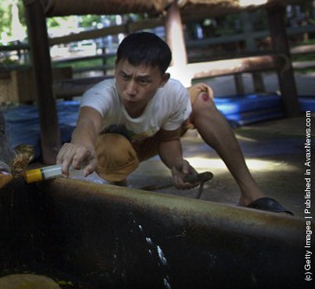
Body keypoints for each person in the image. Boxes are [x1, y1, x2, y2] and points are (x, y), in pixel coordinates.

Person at [56, 31, 292, 215]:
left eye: (143, 81)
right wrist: (82, 144)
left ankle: (250, 193)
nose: (130, 89)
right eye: (124, 76)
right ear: (116, 68)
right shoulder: (101, 94)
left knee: (202, 101)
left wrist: (176, 163)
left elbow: (168, 139)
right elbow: (87, 122)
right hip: (114, 149)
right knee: (110, 148)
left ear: (162, 80)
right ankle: (119, 187)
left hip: (150, 139)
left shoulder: (173, 93)